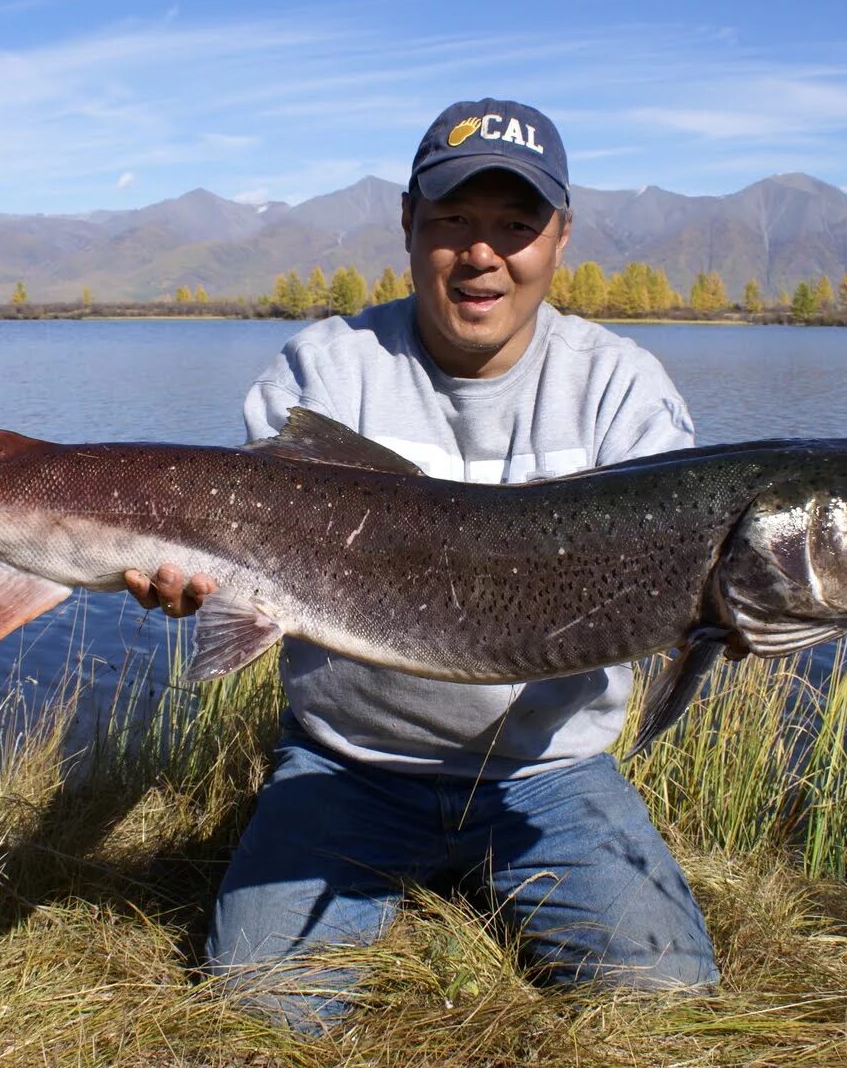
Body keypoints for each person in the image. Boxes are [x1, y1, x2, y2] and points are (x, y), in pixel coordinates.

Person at [124, 98, 717, 1028]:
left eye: (516, 226)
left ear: (560, 238)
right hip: (346, 765)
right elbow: (233, 546)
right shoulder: (326, 370)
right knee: (257, 1017)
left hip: (548, 776)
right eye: (453, 221)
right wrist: (192, 578)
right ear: (408, 225)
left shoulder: (623, 390)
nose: (483, 253)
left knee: (667, 1004)